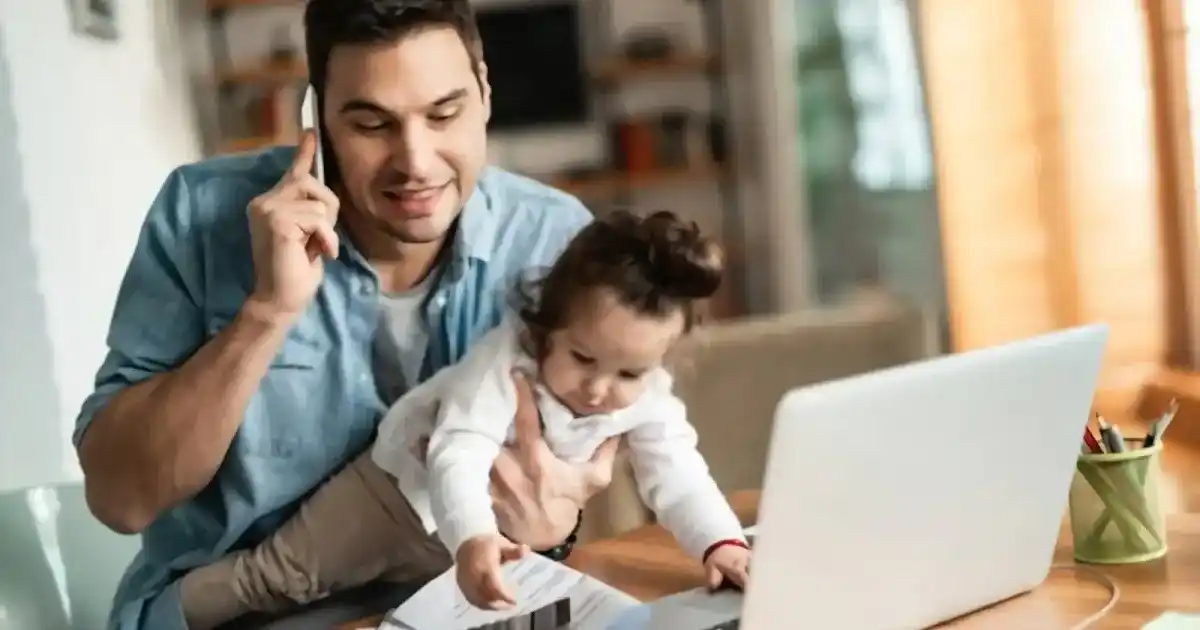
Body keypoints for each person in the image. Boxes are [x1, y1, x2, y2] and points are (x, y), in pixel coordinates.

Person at [72, 1, 616, 628]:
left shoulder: (554, 239)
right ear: (316, 121)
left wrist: (557, 526)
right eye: (372, 125)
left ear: (485, 93)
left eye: (445, 114)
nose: (416, 161)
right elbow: (121, 500)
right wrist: (267, 312)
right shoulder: (200, 216)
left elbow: (577, 484)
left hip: (467, 608)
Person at [176, 210, 753, 628]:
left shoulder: (649, 395)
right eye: (583, 358)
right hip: (392, 495)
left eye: (630, 374)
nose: (601, 390)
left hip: (467, 541)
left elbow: (678, 471)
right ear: (545, 327)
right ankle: (159, 615)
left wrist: (719, 544)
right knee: (279, 579)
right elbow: (458, 452)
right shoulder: (505, 362)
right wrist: (475, 537)